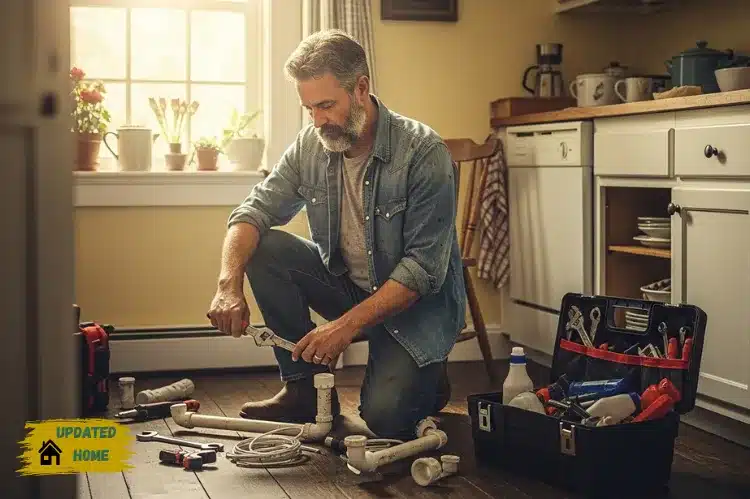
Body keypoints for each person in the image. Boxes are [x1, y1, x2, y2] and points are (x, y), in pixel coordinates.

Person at [207, 29, 466, 441]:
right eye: (309, 108)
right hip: (350, 287)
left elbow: (421, 272)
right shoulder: (311, 144)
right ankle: (302, 391)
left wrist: (343, 327)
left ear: (361, 88)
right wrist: (227, 284)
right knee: (265, 249)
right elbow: (252, 212)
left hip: (414, 309)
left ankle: (428, 378)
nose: (317, 121)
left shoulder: (423, 152)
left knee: (384, 421)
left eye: (326, 105)